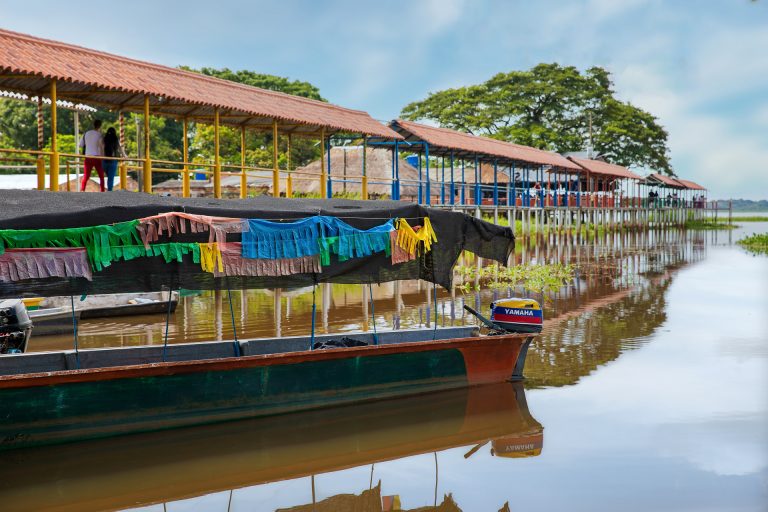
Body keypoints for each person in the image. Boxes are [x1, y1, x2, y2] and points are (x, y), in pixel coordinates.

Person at [79, 120, 105, 192]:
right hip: (97, 157)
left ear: (93, 125)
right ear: (100, 126)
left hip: (88, 156)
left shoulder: (86, 134)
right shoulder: (100, 135)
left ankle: (82, 189)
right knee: (101, 176)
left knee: (86, 175)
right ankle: (102, 190)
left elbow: (80, 144)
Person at [102, 127, 126, 191]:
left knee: (104, 175)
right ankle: (109, 190)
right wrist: (125, 156)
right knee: (111, 177)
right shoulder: (115, 139)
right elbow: (120, 149)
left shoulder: (104, 139)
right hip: (113, 160)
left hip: (104, 159)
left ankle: (103, 189)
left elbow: (101, 148)